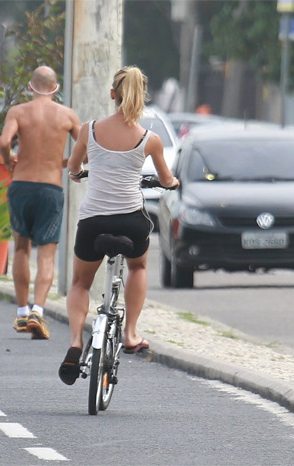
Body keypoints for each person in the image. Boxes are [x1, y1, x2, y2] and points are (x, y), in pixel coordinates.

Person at [58, 66, 179, 385]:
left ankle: (74, 341)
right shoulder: (149, 139)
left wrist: (80, 171)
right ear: (142, 97)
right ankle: (131, 333)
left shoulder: (89, 130)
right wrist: (171, 182)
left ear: (113, 94)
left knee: (80, 283)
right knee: (138, 267)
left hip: (93, 220)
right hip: (131, 220)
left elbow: (73, 167)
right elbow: (166, 179)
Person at [0, 65, 81, 340]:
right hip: (50, 187)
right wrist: (66, 164)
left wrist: (10, 161)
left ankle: (21, 312)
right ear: (55, 88)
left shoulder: (18, 112)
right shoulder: (66, 115)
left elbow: (3, 141)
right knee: (47, 253)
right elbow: (87, 148)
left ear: (30, 87)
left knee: (21, 247)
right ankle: (38, 311)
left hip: (21, 185)